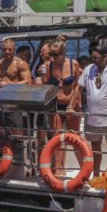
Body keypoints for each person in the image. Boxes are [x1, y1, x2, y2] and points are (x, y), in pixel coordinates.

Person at [69, 44, 107, 175]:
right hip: (92, 116)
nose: (93, 59)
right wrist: (69, 106)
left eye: (95, 57)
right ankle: (96, 174)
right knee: (95, 147)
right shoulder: (89, 68)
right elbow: (78, 88)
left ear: (105, 56)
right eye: (92, 56)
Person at [41, 38, 82, 175]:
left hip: (71, 105)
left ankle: (84, 171)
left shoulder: (73, 64)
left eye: (55, 54)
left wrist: (72, 106)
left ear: (63, 52)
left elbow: (78, 87)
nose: (52, 57)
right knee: (56, 138)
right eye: (51, 54)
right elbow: (47, 85)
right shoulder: (49, 65)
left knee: (75, 138)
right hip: (55, 105)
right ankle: (57, 171)